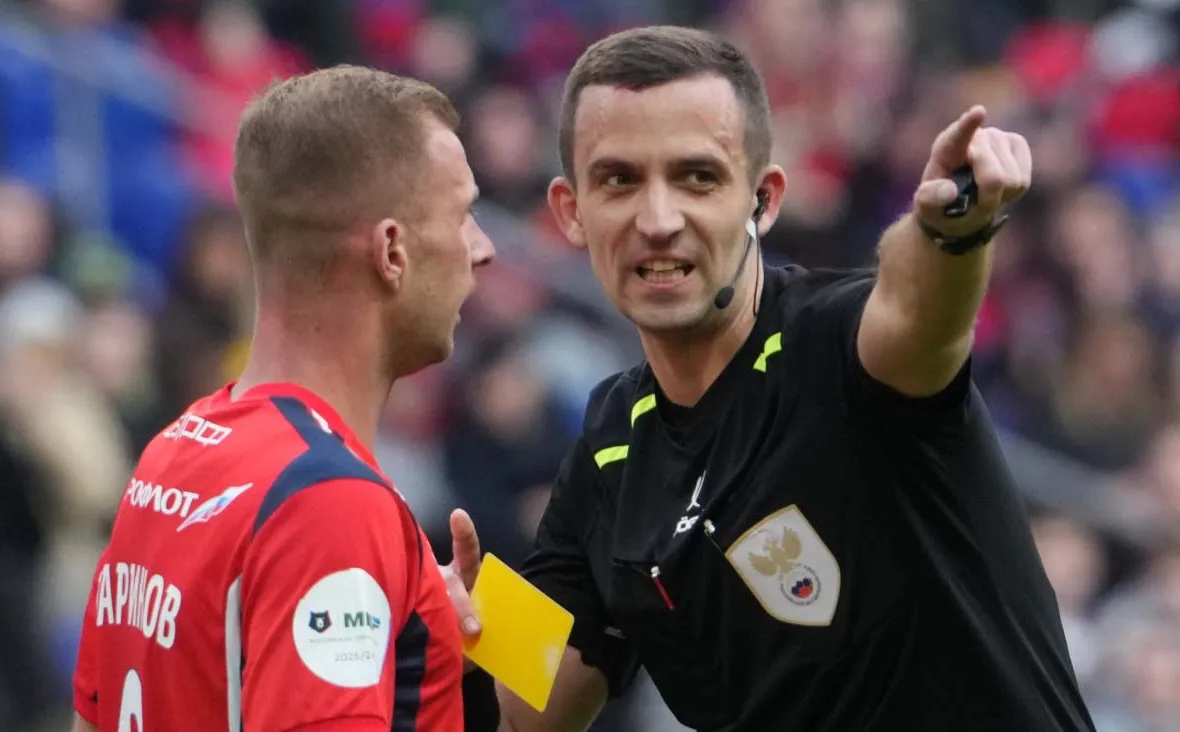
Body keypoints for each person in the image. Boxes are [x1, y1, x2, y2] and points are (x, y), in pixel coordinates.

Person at [469, 25, 1097, 731]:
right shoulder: (611, 451)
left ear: (763, 201)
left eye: (698, 178)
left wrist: (948, 231)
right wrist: (453, 605)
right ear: (571, 212)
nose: (658, 219)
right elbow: (530, 709)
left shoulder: (832, 342)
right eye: (619, 181)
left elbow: (916, 313)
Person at [69, 65, 495, 732]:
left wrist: (411, 636)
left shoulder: (173, 452)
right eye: (464, 215)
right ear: (392, 251)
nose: (484, 249)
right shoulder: (331, 504)